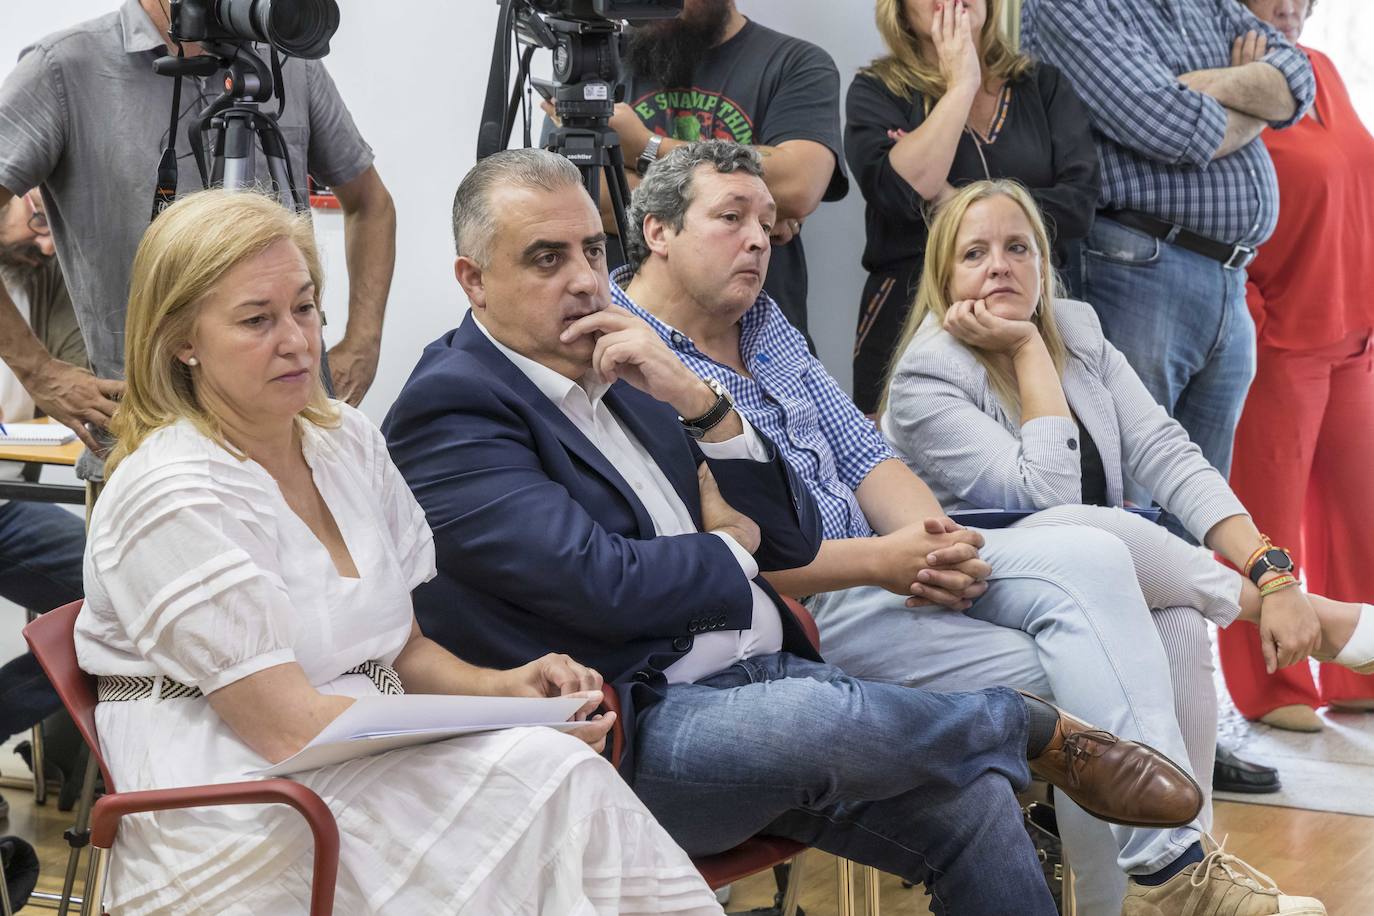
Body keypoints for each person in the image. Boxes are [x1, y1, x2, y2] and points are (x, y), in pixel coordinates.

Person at [383, 147, 1203, 915]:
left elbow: (789, 539)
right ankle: (1025, 728)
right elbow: (601, 581)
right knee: (827, 720)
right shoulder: (453, 404)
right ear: (473, 279)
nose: (585, 281)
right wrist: (725, 546)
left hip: (767, 671)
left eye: (594, 252)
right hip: (641, 726)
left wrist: (701, 405)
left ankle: (1058, 751)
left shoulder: (629, 369)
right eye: (546, 258)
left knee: (974, 802)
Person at [611, 140, 1318, 915]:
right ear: (657, 231)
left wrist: (928, 545)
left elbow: (865, 456)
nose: (758, 239)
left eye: (767, 222)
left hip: (902, 578)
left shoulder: (766, 323)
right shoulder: (632, 361)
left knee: (1167, 621)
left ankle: (1166, 884)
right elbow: (727, 555)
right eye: (731, 218)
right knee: (1108, 606)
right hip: (804, 619)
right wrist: (888, 559)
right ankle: (1171, 868)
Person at [74, 189, 723, 916]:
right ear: (181, 340)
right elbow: (285, 729)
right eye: (258, 320)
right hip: (241, 805)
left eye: (306, 307)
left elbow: (403, 649)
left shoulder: (343, 440)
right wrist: (493, 724)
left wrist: (509, 688)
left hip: (354, 763)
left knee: (554, 766)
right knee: (548, 778)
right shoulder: (170, 491)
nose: (298, 341)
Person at [879, 179, 1372, 912]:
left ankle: (1177, 884)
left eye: (1019, 248)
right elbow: (1050, 502)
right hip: (968, 596)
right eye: (974, 253)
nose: (1000, 266)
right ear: (944, 278)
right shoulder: (929, 374)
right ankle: (1320, 620)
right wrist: (1024, 352)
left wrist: (1272, 567)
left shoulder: (1075, 328)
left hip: (1084, 584)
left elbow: (1169, 455)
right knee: (1096, 537)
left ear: (1045, 265)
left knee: (1173, 620)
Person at [0, 0, 396, 457]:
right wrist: (39, 372)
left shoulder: (282, 57)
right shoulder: (66, 68)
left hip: (296, 438)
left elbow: (370, 204)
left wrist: (363, 342)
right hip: (149, 441)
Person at [1020, 0, 1314, 524]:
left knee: (1203, 516)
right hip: (1138, 269)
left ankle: (1187, 612)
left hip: (1228, 278)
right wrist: (1252, 91)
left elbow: (1296, 78)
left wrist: (1205, 84)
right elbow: (1169, 123)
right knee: (1135, 510)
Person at [1217, 0, 1374, 732]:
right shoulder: (1237, 80)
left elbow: (1358, 192)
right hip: (1278, 345)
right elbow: (1222, 206)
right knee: (1265, 526)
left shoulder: (1326, 71)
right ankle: (1272, 685)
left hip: (1351, 339)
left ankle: (1355, 669)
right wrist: (1255, 318)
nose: (1289, 6)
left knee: (1360, 516)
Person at [845, 0, 1097, 413]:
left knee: (1042, 450)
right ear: (901, 9)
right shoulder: (878, 89)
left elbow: (1078, 205)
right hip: (908, 308)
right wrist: (962, 82)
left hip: (1029, 313)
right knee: (896, 465)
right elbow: (898, 191)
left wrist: (954, 202)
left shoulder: (1041, 84)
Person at [543, 0, 847, 337]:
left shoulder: (794, 63)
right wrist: (729, 209)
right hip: (615, 334)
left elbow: (798, 184)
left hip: (751, 345)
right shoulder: (594, 55)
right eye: (732, 217)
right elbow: (576, 195)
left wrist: (644, 146)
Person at [0, 189, 87, 821]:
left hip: (9, 497)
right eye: (38, 220)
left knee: (119, 595)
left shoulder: (41, 275)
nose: (46, 241)